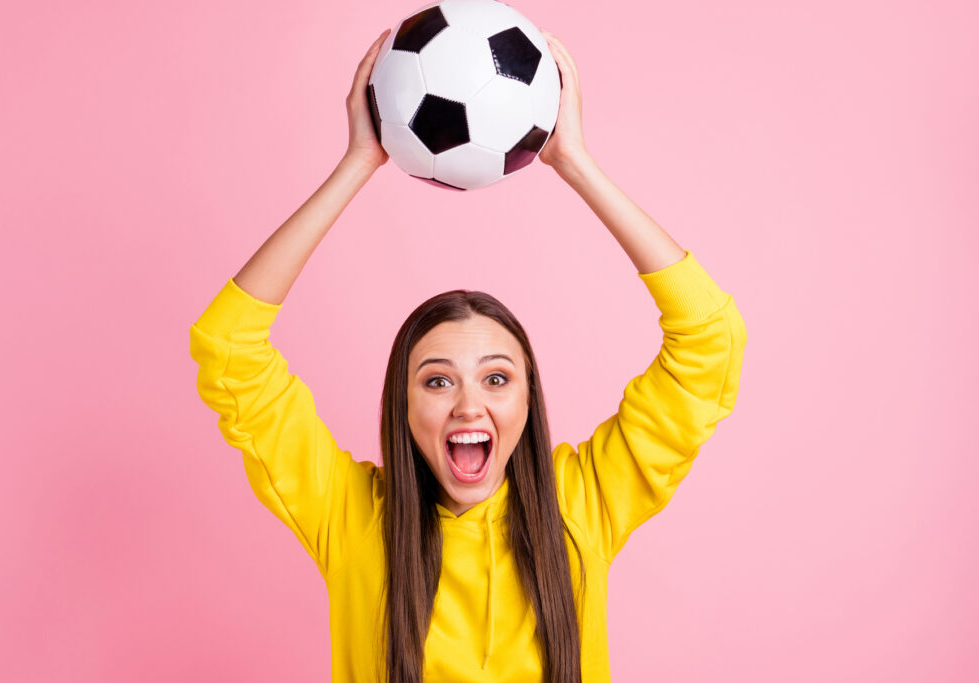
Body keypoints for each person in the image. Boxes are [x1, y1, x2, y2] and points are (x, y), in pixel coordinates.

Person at [190, 28, 747, 683]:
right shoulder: (352, 519)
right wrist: (357, 165)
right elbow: (230, 346)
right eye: (437, 381)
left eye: (496, 378)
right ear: (401, 403)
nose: (468, 405)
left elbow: (710, 341)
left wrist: (576, 164)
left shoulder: (583, 507)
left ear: (529, 400)